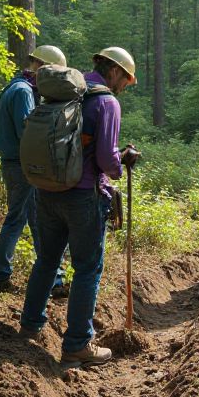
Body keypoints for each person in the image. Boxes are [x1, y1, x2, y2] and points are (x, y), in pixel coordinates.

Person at [20, 47, 139, 365]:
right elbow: (104, 158)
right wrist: (122, 162)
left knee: (46, 260)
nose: (125, 86)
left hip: (47, 190)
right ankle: (77, 344)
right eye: (126, 79)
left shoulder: (67, 92)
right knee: (87, 269)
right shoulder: (106, 102)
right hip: (84, 196)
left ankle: (30, 326)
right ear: (114, 71)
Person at [0, 45, 69, 297]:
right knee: (19, 219)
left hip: (14, 163)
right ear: (43, 67)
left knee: (32, 219)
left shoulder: (16, 85)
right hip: (21, 166)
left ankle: (52, 276)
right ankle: (1, 274)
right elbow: (29, 133)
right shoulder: (23, 91)